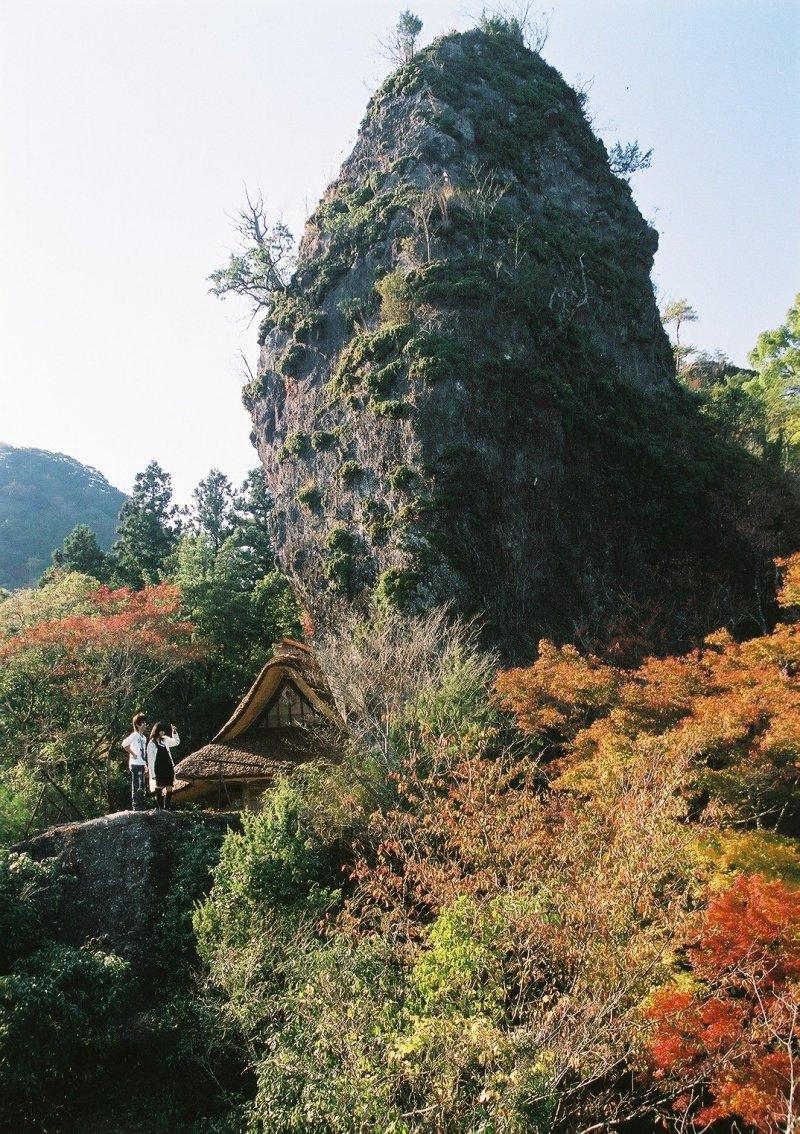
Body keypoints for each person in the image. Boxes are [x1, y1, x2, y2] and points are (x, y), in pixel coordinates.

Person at [147, 722, 180, 811]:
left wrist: (174, 732)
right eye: (161, 731)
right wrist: (153, 774)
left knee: (169, 787)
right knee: (159, 787)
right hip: (159, 768)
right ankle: (161, 808)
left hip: (168, 767)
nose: (163, 733)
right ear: (157, 731)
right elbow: (150, 760)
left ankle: (167, 807)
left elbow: (176, 742)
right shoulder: (151, 743)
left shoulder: (165, 739)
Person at [122, 712, 149, 811]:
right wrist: (132, 754)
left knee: (142, 785)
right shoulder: (134, 735)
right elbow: (124, 743)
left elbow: (144, 752)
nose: (145, 725)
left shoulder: (144, 738)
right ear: (137, 725)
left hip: (141, 763)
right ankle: (136, 807)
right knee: (136, 784)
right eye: (143, 723)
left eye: (145, 722)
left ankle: (142, 805)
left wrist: (145, 764)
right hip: (135, 764)